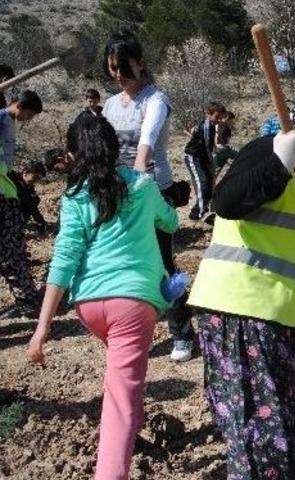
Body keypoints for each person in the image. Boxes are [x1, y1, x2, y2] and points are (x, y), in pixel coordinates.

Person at [187, 132, 295, 480]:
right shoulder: (267, 152)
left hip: (277, 311)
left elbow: (291, 250)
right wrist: (279, 161)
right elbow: (226, 202)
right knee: (255, 423)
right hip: (239, 306)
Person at [26, 115, 179, 480]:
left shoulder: (75, 196)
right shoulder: (142, 185)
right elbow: (171, 222)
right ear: (114, 148)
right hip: (133, 304)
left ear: (72, 153)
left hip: (90, 306)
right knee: (122, 402)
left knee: (120, 381)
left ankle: (126, 437)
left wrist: (42, 326)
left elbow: (64, 258)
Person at [101, 31, 195, 362]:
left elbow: (148, 137)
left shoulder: (155, 100)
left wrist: (139, 170)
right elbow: (106, 147)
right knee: (123, 263)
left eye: (124, 66)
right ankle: (131, 329)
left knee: (162, 265)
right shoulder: (111, 105)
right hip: (120, 193)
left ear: (141, 64)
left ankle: (182, 332)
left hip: (153, 191)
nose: (118, 74)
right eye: (112, 67)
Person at [0, 90, 44, 320]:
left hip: (5, 192)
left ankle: (27, 298)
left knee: (10, 248)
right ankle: (27, 297)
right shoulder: (1, 118)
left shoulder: (8, 121)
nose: (28, 119)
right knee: (9, 249)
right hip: (4, 192)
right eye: (30, 114)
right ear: (20, 105)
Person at [184, 101, 226, 220]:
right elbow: (207, 147)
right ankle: (197, 214)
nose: (218, 120)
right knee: (202, 183)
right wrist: (210, 163)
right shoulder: (206, 126)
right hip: (193, 157)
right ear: (209, 114)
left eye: (220, 118)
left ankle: (205, 209)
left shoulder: (212, 126)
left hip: (202, 158)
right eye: (216, 117)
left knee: (208, 183)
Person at [9, 160, 49, 232]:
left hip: (15, 218)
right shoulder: (11, 178)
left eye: (39, 178)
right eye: (36, 176)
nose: (37, 180)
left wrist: (42, 222)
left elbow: (33, 208)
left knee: (34, 199)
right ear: (25, 173)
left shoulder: (29, 187)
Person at [66, 89, 103, 155]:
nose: (92, 104)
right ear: (86, 100)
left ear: (98, 100)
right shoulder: (81, 116)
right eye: (90, 101)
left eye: (94, 102)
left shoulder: (105, 113)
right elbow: (72, 132)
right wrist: (71, 149)